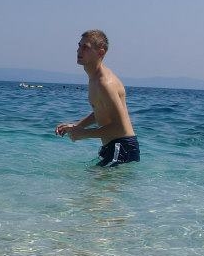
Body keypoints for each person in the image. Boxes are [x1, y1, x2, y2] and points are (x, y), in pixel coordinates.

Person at [55, 29, 140, 167]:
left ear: (101, 52)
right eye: (79, 45)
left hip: (121, 148)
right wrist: (77, 126)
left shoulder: (105, 83)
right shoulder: (94, 78)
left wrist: (84, 134)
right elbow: (101, 111)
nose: (79, 51)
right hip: (114, 148)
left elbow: (120, 127)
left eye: (85, 47)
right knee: (92, 186)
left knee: (94, 187)